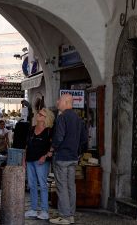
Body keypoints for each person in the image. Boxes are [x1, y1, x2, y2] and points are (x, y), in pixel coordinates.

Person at [48, 94, 88, 225]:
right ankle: (70, 215)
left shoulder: (62, 117)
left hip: (62, 157)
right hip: (73, 158)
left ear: (66, 102)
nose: (57, 101)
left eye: (59, 100)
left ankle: (64, 216)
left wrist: (52, 149)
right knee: (71, 186)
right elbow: (84, 139)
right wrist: (78, 152)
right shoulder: (78, 118)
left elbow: (59, 137)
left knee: (62, 186)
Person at [24, 108, 55, 220]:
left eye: (41, 114)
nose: (38, 115)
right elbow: (27, 145)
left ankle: (44, 210)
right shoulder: (32, 129)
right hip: (30, 159)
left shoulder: (49, 131)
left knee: (42, 185)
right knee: (31, 185)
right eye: (39, 113)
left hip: (41, 160)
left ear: (46, 118)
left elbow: (53, 146)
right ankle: (33, 209)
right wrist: (24, 159)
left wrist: (46, 155)